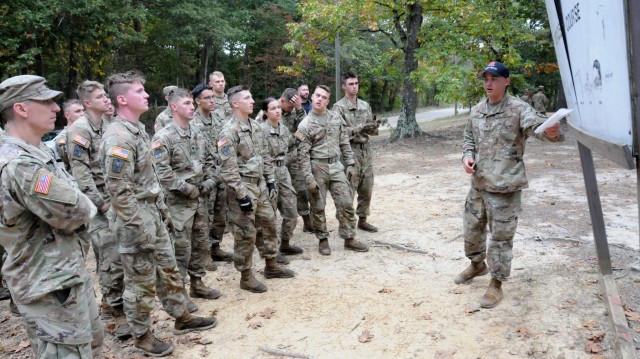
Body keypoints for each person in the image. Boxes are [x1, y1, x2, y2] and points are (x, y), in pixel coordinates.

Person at [100, 71, 216, 357]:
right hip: (134, 219)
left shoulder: (137, 130)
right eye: (140, 92)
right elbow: (119, 191)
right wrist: (138, 226)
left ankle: (182, 316)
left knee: (169, 268)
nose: (147, 95)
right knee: (141, 281)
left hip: (152, 212)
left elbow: (149, 179)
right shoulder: (118, 137)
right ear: (123, 99)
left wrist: (162, 211)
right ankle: (142, 336)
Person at [0, 75, 104, 358]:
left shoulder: (36, 151)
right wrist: (85, 203)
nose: (56, 108)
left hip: (65, 273)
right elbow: (76, 211)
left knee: (91, 344)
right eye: (46, 101)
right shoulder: (19, 163)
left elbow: (73, 197)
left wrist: (79, 200)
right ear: (21, 108)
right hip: (48, 283)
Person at [456, 61, 562, 308]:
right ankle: (476, 265)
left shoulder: (518, 108)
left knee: (500, 239)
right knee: (472, 230)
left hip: (505, 187)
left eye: (494, 79)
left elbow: (537, 127)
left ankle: (496, 283)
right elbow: (468, 137)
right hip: (478, 184)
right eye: (486, 79)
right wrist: (467, 156)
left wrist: (551, 132)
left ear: (507, 81)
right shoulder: (478, 109)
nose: (489, 83)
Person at [66, 80, 130, 339]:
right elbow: (81, 176)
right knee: (109, 256)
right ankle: (115, 311)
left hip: (115, 200)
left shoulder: (108, 126)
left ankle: (119, 302)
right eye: (101, 96)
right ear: (86, 103)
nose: (107, 100)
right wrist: (103, 205)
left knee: (122, 253)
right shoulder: (79, 131)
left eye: (106, 95)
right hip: (98, 205)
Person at [217, 85, 295, 293]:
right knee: (246, 233)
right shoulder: (228, 132)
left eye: (252, 97)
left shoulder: (256, 127)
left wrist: (270, 180)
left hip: (260, 184)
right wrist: (241, 194)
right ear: (235, 103)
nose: (252, 101)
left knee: (269, 223)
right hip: (243, 187)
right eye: (247, 98)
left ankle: (271, 265)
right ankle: (246, 275)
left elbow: (265, 155)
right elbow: (228, 167)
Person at [152, 88, 222, 303]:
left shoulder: (197, 132)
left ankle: (197, 283)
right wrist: (186, 188)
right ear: (173, 106)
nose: (192, 107)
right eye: (186, 103)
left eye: (192, 103)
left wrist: (210, 181)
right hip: (178, 203)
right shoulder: (163, 137)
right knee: (181, 248)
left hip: (200, 196)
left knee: (200, 243)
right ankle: (179, 293)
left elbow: (210, 159)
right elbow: (162, 171)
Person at [296, 85, 369, 255]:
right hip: (317, 167)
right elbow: (303, 155)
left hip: (336, 166)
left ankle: (349, 238)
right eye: (317, 95)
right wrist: (309, 178)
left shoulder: (336, 118)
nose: (319, 99)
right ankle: (322, 239)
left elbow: (344, 142)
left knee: (345, 203)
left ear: (328, 101)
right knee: (318, 206)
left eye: (324, 97)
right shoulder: (305, 125)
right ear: (312, 97)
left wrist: (350, 163)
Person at [191, 83, 234, 267]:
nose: (211, 100)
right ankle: (204, 253)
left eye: (213, 97)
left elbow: (224, 143)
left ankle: (216, 247)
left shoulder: (218, 119)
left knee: (220, 214)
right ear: (197, 101)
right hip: (205, 176)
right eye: (207, 98)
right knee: (205, 216)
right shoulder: (192, 122)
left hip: (221, 172)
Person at [332, 72, 379, 232]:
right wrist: (360, 128)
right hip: (349, 153)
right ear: (344, 86)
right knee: (348, 190)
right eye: (351, 84)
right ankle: (345, 224)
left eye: (356, 83)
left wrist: (373, 127)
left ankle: (363, 219)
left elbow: (372, 131)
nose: (354, 86)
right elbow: (339, 133)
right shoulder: (338, 108)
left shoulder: (365, 106)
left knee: (367, 187)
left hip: (366, 151)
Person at [259, 98, 304, 256]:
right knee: (269, 215)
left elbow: (289, 147)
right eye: (273, 108)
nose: (277, 111)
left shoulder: (284, 129)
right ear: (265, 112)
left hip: (283, 172)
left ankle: (285, 243)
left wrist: (298, 141)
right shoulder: (260, 131)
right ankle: (271, 252)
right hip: (267, 174)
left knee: (291, 212)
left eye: (278, 108)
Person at [279, 88, 313, 232]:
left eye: (294, 106)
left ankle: (307, 221)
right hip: (277, 160)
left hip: (293, 158)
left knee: (301, 190)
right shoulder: (269, 111)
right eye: (290, 106)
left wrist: (299, 109)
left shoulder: (295, 111)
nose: (291, 108)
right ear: (282, 101)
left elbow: (306, 127)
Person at [54, 99, 85, 170]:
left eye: (83, 110)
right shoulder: (63, 138)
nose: (82, 114)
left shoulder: (87, 132)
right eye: (78, 111)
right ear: (67, 115)